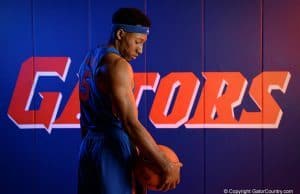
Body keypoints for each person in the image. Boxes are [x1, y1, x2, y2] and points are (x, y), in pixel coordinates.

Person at [77, 7, 181, 194]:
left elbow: (84, 119)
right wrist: (165, 164)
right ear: (120, 33)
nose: (140, 50)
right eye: (137, 42)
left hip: (88, 146)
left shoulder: (90, 58)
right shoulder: (118, 65)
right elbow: (130, 124)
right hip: (112, 145)